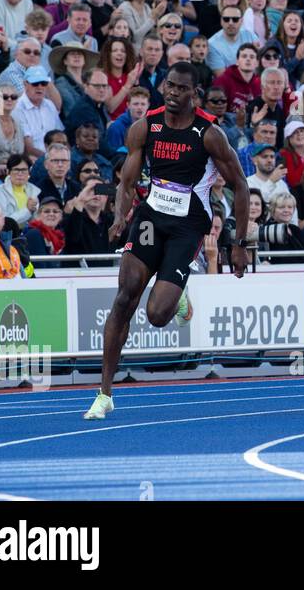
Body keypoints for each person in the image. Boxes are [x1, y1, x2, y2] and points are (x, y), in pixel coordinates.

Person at [83, 62, 250, 420]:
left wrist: (239, 242)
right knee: (125, 295)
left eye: (181, 89)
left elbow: (240, 186)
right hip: (151, 216)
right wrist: (118, 217)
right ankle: (104, 393)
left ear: (194, 94)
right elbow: (127, 181)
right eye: (168, 86)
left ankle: (176, 291)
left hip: (188, 226)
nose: (172, 93)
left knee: (157, 314)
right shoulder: (146, 127)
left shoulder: (209, 134)